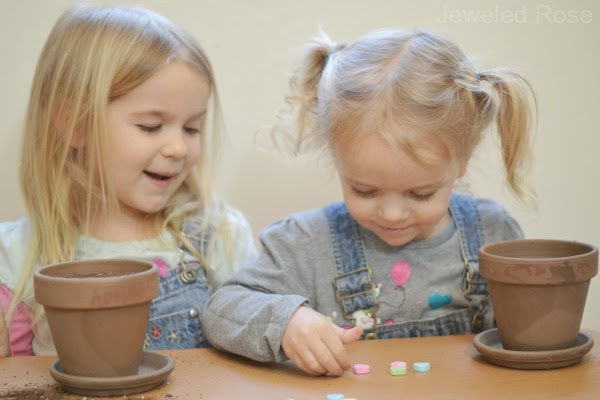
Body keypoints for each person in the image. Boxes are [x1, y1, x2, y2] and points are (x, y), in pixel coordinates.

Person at [202, 29, 536, 376]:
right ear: (336, 156)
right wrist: (286, 321)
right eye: (365, 190)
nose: (392, 215)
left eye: (421, 194)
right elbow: (221, 310)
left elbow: (528, 337)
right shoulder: (305, 243)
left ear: (462, 160)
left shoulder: (493, 233)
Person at [0, 5, 257, 356]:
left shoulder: (219, 238)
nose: (178, 147)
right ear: (74, 125)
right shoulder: (16, 257)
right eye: (150, 126)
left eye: (192, 127)